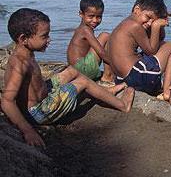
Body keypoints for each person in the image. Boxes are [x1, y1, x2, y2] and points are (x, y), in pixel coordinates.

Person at [1, 8, 135, 147]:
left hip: (42, 96)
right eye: (44, 36)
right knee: (82, 82)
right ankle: (122, 105)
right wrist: (28, 131)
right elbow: (7, 101)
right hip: (38, 112)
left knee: (72, 71)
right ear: (23, 39)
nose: (49, 39)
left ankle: (107, 92)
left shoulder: (26, 53)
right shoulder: (19, 64)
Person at [107, 0, 171, 100]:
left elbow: (159, 40)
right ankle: (167, 91)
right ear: (137, 10)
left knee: (161, 46)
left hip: (122, 79)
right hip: (136, 76)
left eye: (153, 21)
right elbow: (152, 51)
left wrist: (159, 23)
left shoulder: (126, 23)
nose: (149, 23)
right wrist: (156, 26)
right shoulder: (135, 26)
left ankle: (157, 87)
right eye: (148, 17)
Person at [67, 0, 113, 82]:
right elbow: (101, 52)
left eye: (99, 16)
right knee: (105, 35)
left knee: (104, 37)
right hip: (82, 71)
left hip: (76, 71)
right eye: (91, 16)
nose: (95, 20)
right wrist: (115, 64)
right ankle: (108, 76)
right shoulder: (85, 30)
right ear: (81, 14)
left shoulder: (82, 28)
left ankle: (108, 74)